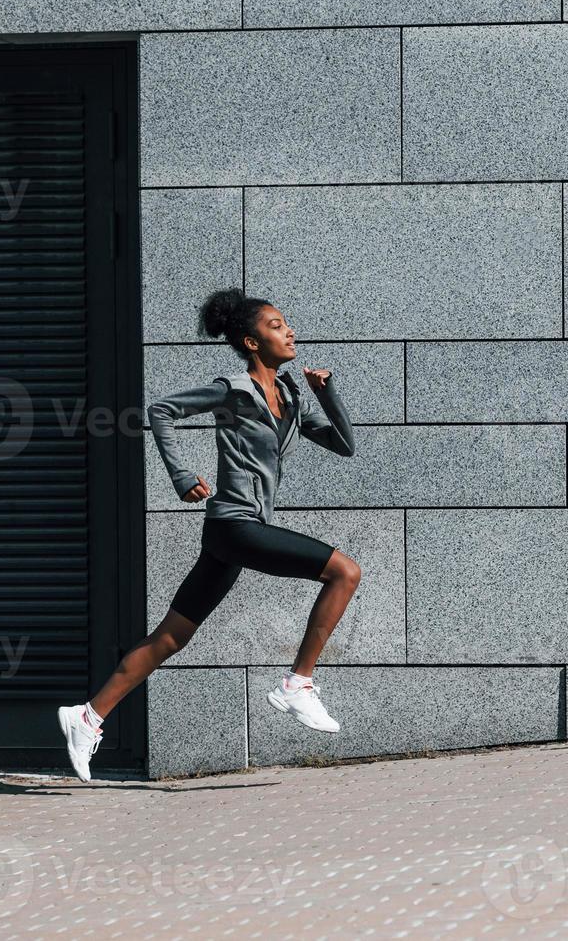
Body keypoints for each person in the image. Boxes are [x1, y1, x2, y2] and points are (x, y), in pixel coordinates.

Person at [57, 289, 361, 781]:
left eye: (287, 324)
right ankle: (298, 684)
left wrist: (327, 391)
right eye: (276, 325)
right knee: (345, 572)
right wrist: (181, 477)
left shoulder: (290, 395)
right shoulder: (233, 390)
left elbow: (345, 445)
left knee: (172, 636)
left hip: (238, 532)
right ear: (251, 341)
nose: (289, 331)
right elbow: (160, 412)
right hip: (233, 524)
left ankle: (88, 715)